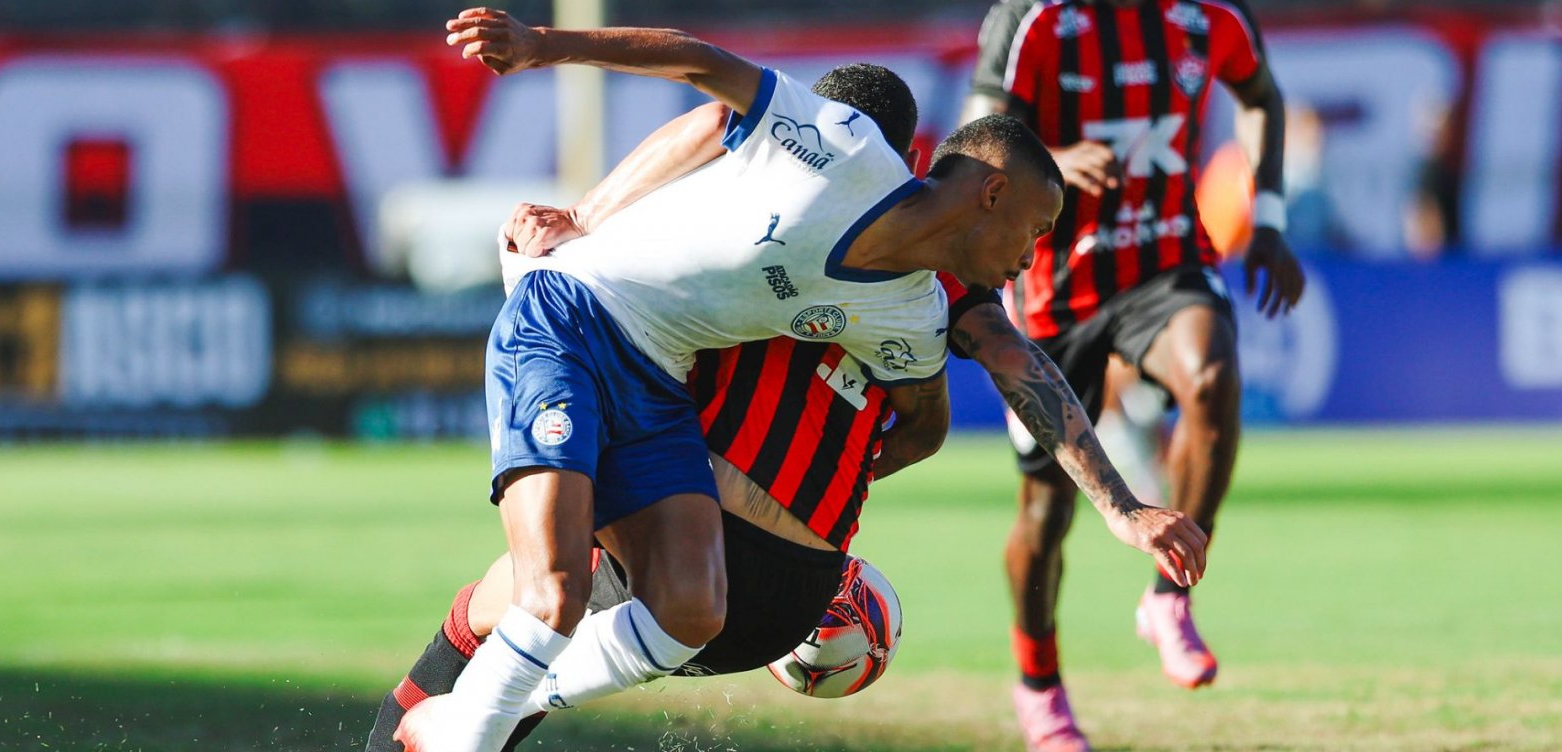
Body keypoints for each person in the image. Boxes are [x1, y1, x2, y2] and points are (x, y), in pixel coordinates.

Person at [393, 8, 1204, 751]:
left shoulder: (914, 307)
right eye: (1036, 231)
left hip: (661, 390)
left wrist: (1122, 507)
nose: (1033, 257)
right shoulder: (838, 150)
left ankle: (459, 720)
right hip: (576, 324)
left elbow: (975, 391)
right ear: (983, 189)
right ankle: (449, 729)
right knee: (549, 599)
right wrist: (541, 49)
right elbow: (704, 75)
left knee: (663, 613)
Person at [964, 0, 1306, 749]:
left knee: (1211, 377)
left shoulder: (1209, 14)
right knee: (1045, 510)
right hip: (1052, 283)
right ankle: (1040, 687)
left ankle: (1168, 597)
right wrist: (1052, 160)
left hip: (1166, 254)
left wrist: (1270, 218)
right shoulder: (1033, 17)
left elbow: (1260, 95)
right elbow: (975, 142)